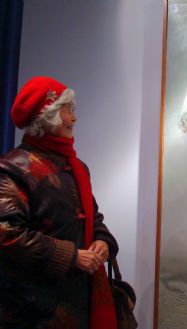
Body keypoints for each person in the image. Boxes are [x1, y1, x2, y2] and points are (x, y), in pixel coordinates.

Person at [0, 76, 119, 329]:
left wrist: (103, 242)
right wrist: (72, 256)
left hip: (79, 306)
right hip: (33, 312)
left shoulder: (77, 167)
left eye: (72, 110)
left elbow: (93, 217)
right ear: (48, 116)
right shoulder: (12, 169)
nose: (74, 118)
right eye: (67, 110)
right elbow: (6, 234)